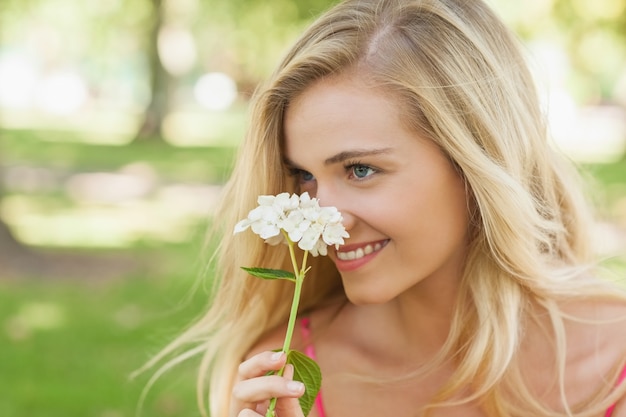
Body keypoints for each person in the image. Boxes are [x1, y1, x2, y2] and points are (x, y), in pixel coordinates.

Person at [144, 0, 626, 416]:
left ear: (474, 162)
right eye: (303, 177)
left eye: (359, 170)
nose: (322, 221)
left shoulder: (613, 364)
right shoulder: (285, 370)